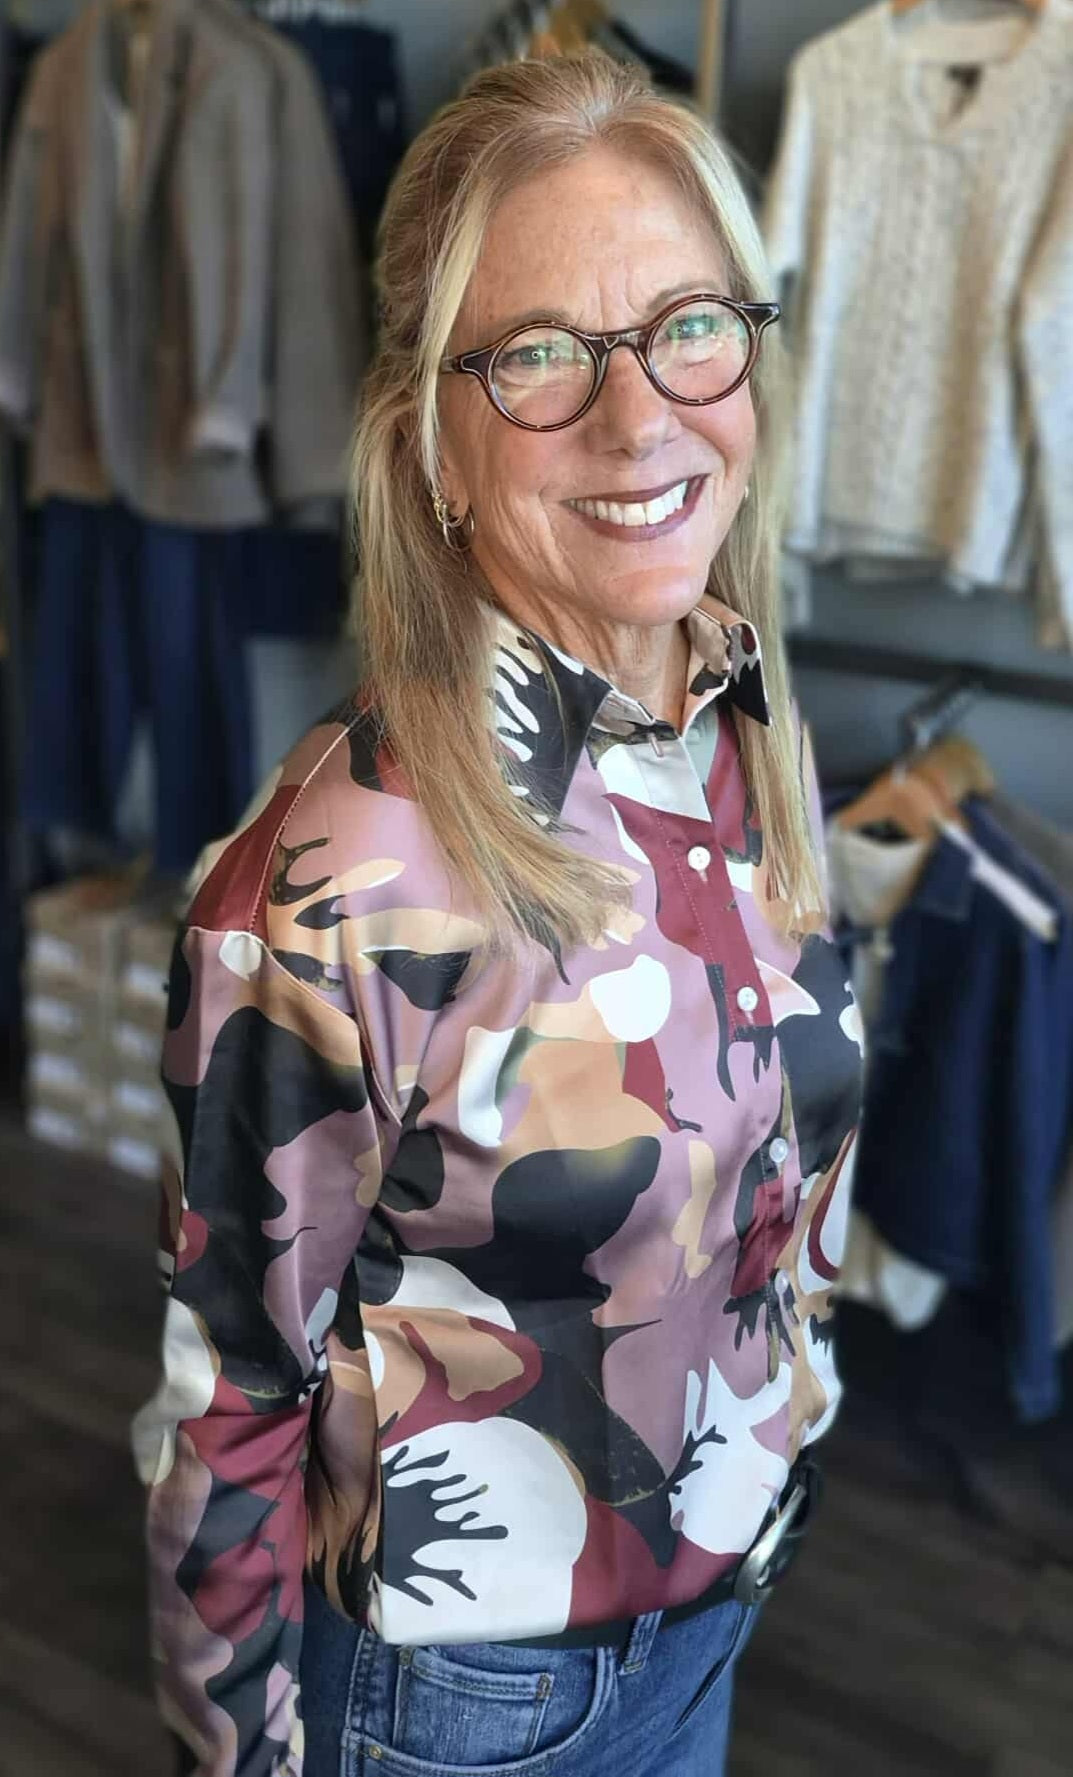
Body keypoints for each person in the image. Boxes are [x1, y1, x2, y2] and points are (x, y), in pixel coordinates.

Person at [135, 49, 863, 1777]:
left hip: (712, 1615)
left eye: (688, 326)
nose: (639, 417)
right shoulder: (332, 886)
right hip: (468, 1711)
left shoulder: (737, 727)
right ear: (432, 440)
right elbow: (226, 1414)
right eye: (538, 353)